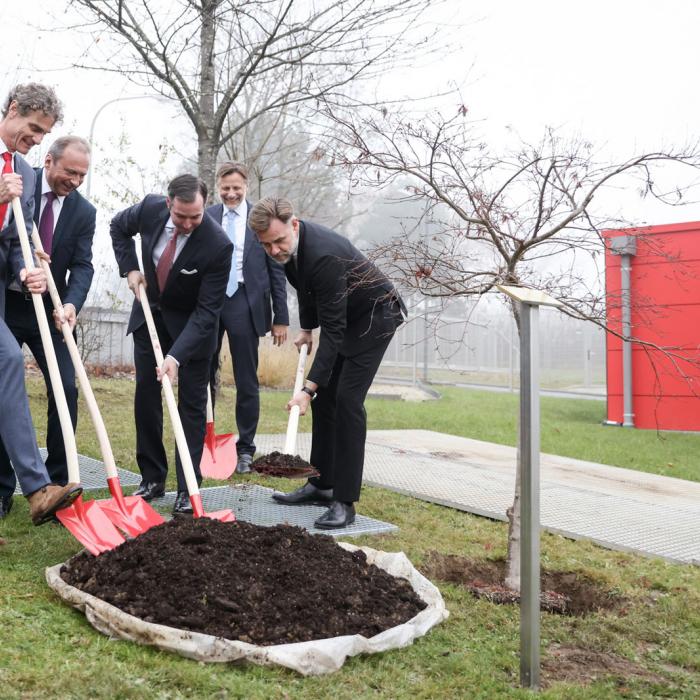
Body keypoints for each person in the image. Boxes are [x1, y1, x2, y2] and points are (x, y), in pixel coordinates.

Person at [249, 197, 406, 529]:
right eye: (267, 245)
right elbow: (307, 291)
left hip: (375, 317)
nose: (275, 250)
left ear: (295, 224)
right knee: (326, 401)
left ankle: (344, 502)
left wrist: (307, 388)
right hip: (348, 317)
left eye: (279, 241)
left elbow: (333, 332)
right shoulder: (290, 251)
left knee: (348, 402)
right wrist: (306, 328)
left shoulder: (324, 254)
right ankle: (321, 484)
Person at [110, 174, 232, 514]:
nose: (190, 223)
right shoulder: (149, 209)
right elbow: (117, 227)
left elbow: (208, 312)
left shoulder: (218, 244)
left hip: (193, 330)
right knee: (147, 395)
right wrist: (130, 268)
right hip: (149, 316)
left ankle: (187, 486)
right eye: (182, 217)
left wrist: (176, 356)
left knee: (191, 406)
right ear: (168, 204)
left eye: (196, 216)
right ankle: (152, 478)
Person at [0, 83, 82, 524]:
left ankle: (35, 488)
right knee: (8, 358)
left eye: (42, 133)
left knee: (7, 361)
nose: (35, 140)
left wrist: (24, 270)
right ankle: (34, 486)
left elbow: (17, 240)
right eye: (32, 129)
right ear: (13, 109)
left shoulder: (27, 174)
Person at [206, 163, 289, 473]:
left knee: (246, 379)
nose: (230, 193)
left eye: (236, 188)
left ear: (246, 187)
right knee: (203, 374)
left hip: (245, 301)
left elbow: (276, 269)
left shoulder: (260, 220)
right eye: (225, 188)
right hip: (211, 302)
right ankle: (204, 439)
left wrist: (280, 316)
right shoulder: (208, 216)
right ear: (218, 187)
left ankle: (245, 449)